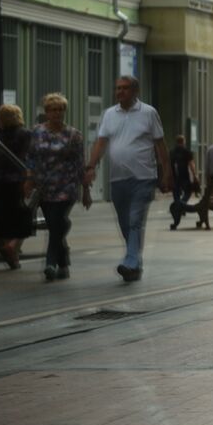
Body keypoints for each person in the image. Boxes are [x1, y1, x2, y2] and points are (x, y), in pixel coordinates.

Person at [85, 76, 171, 282]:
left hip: (143, 177)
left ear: (135, 91)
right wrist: (91, 166)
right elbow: (101, 142)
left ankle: (130, 261)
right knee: (125, 222)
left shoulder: (149, 113)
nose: (119, 92)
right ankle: (135, 262)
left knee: (134, 220)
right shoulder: (109, 115)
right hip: (118, 179)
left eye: (124, 88)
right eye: (117, 88)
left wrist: (167, 172)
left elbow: (160, 144)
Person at [25, 94, 88, 280]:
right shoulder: (36, 132)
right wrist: (28, 180)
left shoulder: (73, 135)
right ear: (46, 112)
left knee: (56, 221)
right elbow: (30, 158)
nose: (57, 113)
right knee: (57, 225)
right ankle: (64, 262)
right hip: (44, 187)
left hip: (66, 186)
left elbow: (79, 163)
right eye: (53, 109)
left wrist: (86, 191)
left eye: (60, 109)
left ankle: (50, 263)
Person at [0, 104, 35, 269]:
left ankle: (12, 256)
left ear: (0, 120)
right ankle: (13, 247)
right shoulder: (28, 136)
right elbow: (35, 158)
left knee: (3, 221)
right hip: (21, 183)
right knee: (24, 217)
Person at [168, 135, 199, 228]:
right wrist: (195, 175)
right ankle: (182, 204)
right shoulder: (186, 152)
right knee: (188, 192)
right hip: (184, 176)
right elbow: (191, 164)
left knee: (176, 192)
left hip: (174, 176)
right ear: (183, 141)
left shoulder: (172, 152)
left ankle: (179, 205)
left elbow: (168, 165)